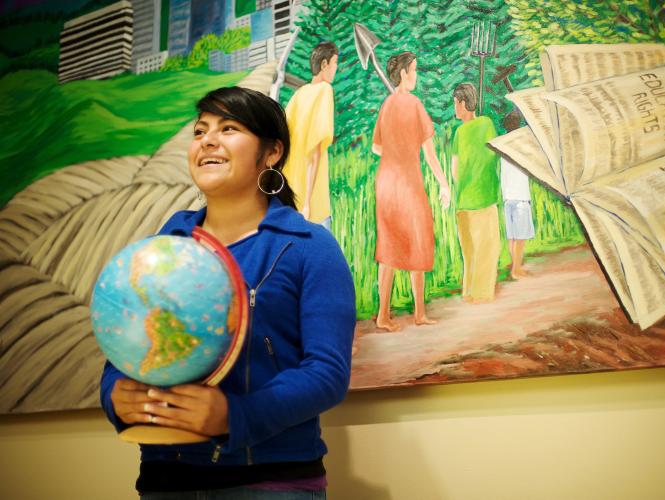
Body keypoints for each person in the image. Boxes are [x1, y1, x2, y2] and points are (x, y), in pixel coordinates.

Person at [100, 87, 356, 499]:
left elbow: (326, 373)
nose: (207, 140)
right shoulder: (166, 245)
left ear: (271, 153)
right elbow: (125, 346)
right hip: (165, 480)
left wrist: (234, 416)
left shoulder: (309, 246)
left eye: (229, 128)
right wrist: (115, 395)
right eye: (200, 131)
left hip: (271, 483)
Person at [371, 51, 451, 332]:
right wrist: (443, 182)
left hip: (386, 182)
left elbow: (376, 148)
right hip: (407, 182)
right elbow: (429, 153)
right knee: (419, 239)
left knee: (389, 246)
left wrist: (396, 147)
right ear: (404, 73)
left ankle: (383, 315)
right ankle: (418, 313)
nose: (416, 75)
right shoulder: (414, 104)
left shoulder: (387, 105)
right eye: (414, 70)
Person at [450, 83, 501, 302]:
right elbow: (495, 154)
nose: (454, 108)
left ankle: (469, 292)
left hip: (463, 201)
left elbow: (454, 171)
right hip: (484, 198)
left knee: (469, 252)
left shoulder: (459, 133)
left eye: (455, 103)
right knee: (486, 249)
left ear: (462, 103)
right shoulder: (487, 124)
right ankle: (481, 294)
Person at [284, 41, 338, 230]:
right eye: (335, 63)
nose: (335, 69)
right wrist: (307, 202)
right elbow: (314, 151)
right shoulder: (324, 90)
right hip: (314, 205)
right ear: (324, 65)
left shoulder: (299, 94)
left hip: (292, 200)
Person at [500, 110, 535, 279]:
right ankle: (516, 269)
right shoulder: (521, 147)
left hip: (508, 198)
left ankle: (515, 267)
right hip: (520, 197)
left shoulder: (503, 148)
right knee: (520, 237)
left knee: (512, 236)